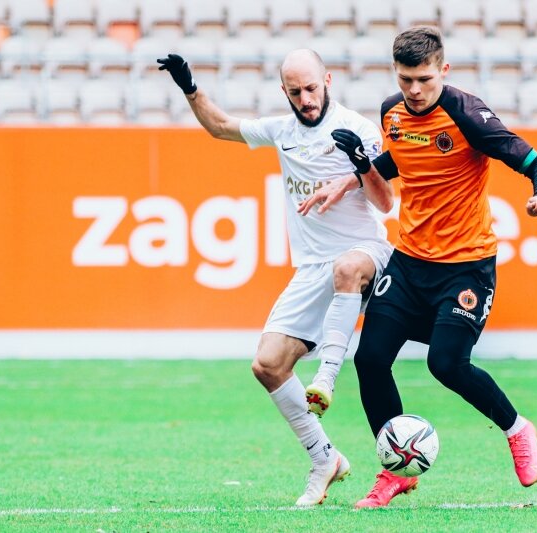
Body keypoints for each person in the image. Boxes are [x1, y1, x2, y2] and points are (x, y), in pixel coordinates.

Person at [299, 26, 537, 508]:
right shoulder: (391, 112)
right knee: (370, 359)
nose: (414, 90)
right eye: (405, 79)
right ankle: (395, 470)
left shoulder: (468, 115)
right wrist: (354, 173)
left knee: (446, 364)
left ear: (444, 70)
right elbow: (399, 162)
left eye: (424, 79)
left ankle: (518, 429)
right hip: (410, 262)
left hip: (466, 267)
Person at [157, 49, 394, 505]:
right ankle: (325, 459)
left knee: (347, 267)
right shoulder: (282, 131)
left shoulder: (359, 129)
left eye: (312, 88)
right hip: (313, 267)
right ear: (283, 91)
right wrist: (189, 86)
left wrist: (362, 164)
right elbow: (220, 127)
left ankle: (326, 377)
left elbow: (385, 203)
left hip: (366, 253)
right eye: (296, 92)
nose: (306, 99)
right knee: (267, 364)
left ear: (328, 80)